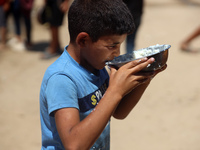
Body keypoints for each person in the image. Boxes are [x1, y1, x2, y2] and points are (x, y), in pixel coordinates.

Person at [39, 0, 167, 149]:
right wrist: (115, 91)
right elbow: (74, 145)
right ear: (83, 40)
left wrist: (145, 76)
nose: (117, 53)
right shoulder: (62, 78)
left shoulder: (96, 67)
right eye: (112, 45)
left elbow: (118, 112)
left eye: (119, 45)